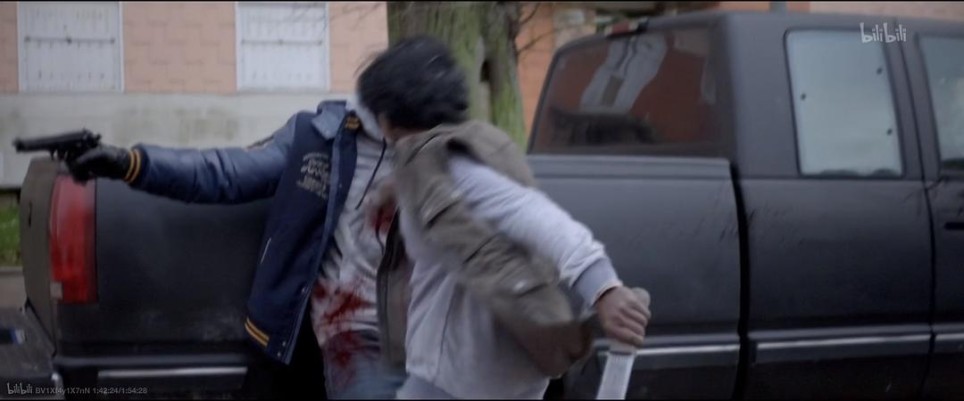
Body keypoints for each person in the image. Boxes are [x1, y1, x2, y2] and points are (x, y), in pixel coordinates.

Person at [357, 35, 652, 399]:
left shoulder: (448, 168)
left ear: (386, 120)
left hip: (457, 376)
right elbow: (460, 196)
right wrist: (396, 189)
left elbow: (542, 219)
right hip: (505, 370)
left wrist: (604, 289)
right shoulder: (467, 150)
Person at [65, 95, 406, 399]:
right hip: (351, 333)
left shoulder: (436, 155)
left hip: (419, 335)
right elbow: (226, 172)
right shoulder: (319, 138)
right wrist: (133, 164)